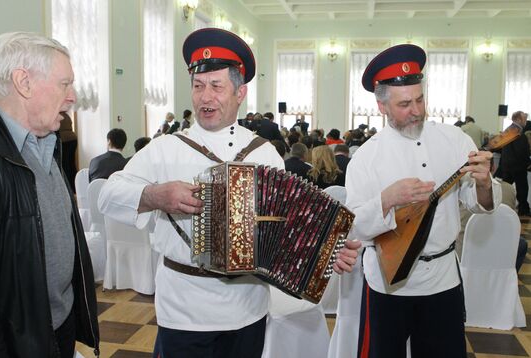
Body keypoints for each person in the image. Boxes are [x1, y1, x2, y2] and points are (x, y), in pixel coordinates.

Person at [98, 28, 361, 358]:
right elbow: (107, 195)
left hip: (247, 309)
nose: (205, 97)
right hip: (183, 310)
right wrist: (155, 195)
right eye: (198, 86)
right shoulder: (164, 148)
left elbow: (283, 226)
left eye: (216, 86)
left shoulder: (263, 153)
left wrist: (325, 250)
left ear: (240, 92)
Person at [346, 44, 501, 358]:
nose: (416, 110)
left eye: (419, 99)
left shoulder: (455, 140)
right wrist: (387, 200)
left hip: (443, 280)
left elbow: (478, 201)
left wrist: (484, 183)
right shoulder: (365, 158)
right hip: (387, 284)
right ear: (381, 106)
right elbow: (352, 227)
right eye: (404, 104)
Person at [0, 31, 99, 357]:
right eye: (65, 84)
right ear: (24, 82)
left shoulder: (47, 143)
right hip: (15, 343)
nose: (73, 96)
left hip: (58, 330)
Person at [496, 111, 531, 216]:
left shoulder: (508, 130)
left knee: (505, 187)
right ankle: (523, 210)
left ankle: (501, 206)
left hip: (507, 165)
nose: (526, 121)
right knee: (522, 189)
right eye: (524, 119)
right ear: (519, 119)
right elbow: (520, 151)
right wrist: (528, 163)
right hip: (518, 166)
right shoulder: (518, 132)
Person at [59, 111, 78, 191]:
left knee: (64, 165)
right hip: (73, 139)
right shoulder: (66, 115)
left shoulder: (57, 115)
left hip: (63, 140)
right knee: (71, 164)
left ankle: (68, 188)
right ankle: (75, 187)